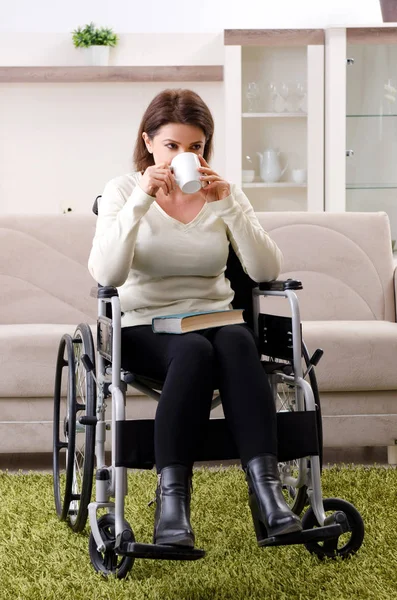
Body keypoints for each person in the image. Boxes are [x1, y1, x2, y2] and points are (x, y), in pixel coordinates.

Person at [88, 88, 302, 550]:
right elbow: (107, 274)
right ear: (148, 142)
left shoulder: (224, 192)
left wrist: (227, 204)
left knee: (238, 342)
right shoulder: (122, 191)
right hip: (145, 325)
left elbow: (266, 271)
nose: (184, 156)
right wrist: (142, 200)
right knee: (194, 348)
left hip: (217, 320)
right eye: (172, 146)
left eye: (196, 147)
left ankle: (268, 497)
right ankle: (172, 507)